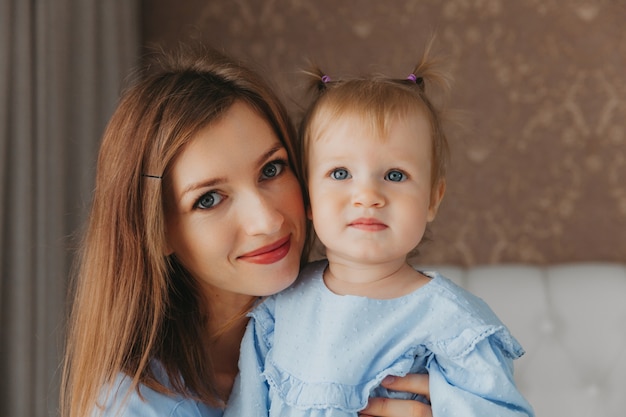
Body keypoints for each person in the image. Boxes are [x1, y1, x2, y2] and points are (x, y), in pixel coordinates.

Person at [60, 44, 434, 417]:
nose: (267, 221)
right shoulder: (136, 407)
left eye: (271, 170)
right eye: (209, 199)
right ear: (156, 232)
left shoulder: (404, 334)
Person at [225, 41, 535, 417]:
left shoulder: (453, 323)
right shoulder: (279, 311)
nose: (368, 196)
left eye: (395, 175)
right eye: (340, 173)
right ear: (307, 197)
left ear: (433, 199)